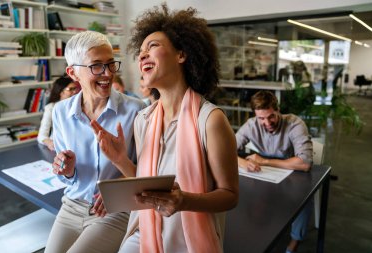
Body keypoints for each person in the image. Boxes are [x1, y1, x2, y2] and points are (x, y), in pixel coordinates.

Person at [91, 4, 239, 252]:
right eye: (140, 51)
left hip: (188, 241)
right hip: (146, 230)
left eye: (153, 46)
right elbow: (147, 185)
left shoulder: (211, 120)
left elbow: (230, 195)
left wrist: (183, 201)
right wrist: (120, 159)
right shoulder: (144, 119)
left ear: (181, 54)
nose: (142, 56)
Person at [45, 31, 145, 253]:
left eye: (111, 64)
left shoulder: (136, 110)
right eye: (96, 66)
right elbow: (69, 179)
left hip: (115, 209)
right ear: (73, 73)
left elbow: (147, 175)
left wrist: (115, 190)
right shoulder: (60, 111)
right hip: (71, 205)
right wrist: (67, 170)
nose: (107, 73)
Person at [235, 90, 313, 253]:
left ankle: (294, 241)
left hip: (291, 174)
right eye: (261, 118)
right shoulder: (251, 125)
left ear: (278, 110)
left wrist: (265, 161)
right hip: (264, 174)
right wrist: (242, 162)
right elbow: (225, 151)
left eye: (271, 116)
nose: (267, 122)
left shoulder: (294, 124)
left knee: (304, 198)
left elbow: (305, 163)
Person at [37, 75, 78, 151]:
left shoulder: (79, 105)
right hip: (60, 148)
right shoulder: (51, 108)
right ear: (60, 92)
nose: (75, 92)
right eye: (71, 89)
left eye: (75, 88)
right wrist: (49, 143)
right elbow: (42, 135)